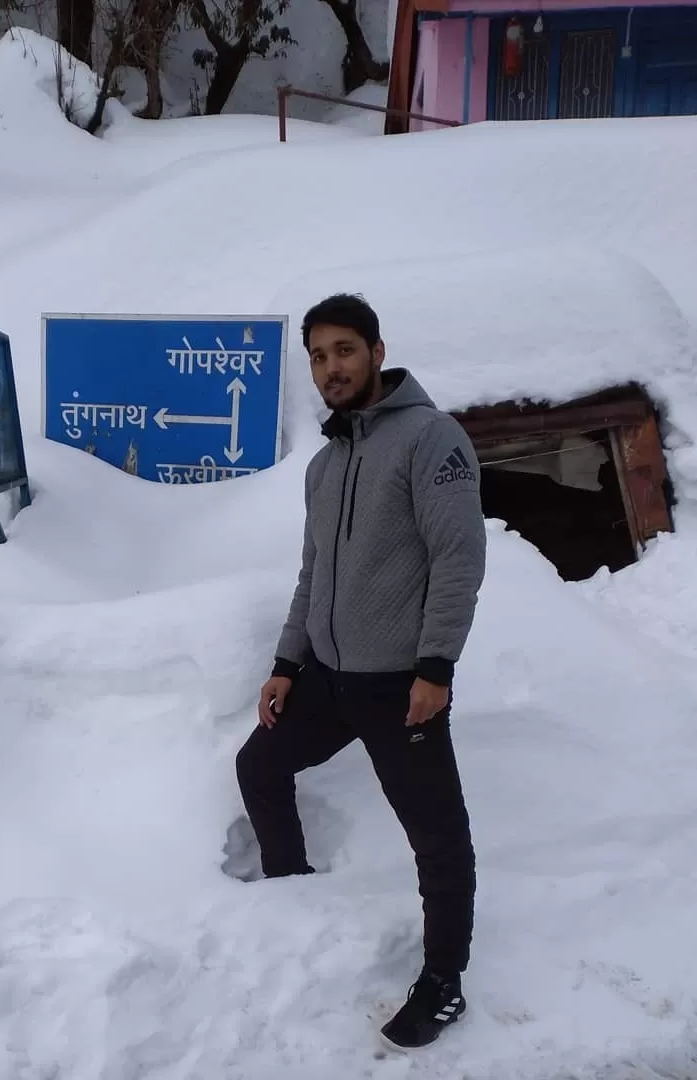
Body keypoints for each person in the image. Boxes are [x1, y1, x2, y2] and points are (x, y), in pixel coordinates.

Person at [234, 293, 487, 1051]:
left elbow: (458, 561)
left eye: (344, 350)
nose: (330, 367)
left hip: (399, 686)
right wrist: (287, 662)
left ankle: (444, 979)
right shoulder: (326, 461)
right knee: (259, 765)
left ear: (378, 352)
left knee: (437, 836)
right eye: (316, 355)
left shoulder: (432, 440)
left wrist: (436, 667)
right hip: (331, 681)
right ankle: (291, 895)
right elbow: (313, 573)